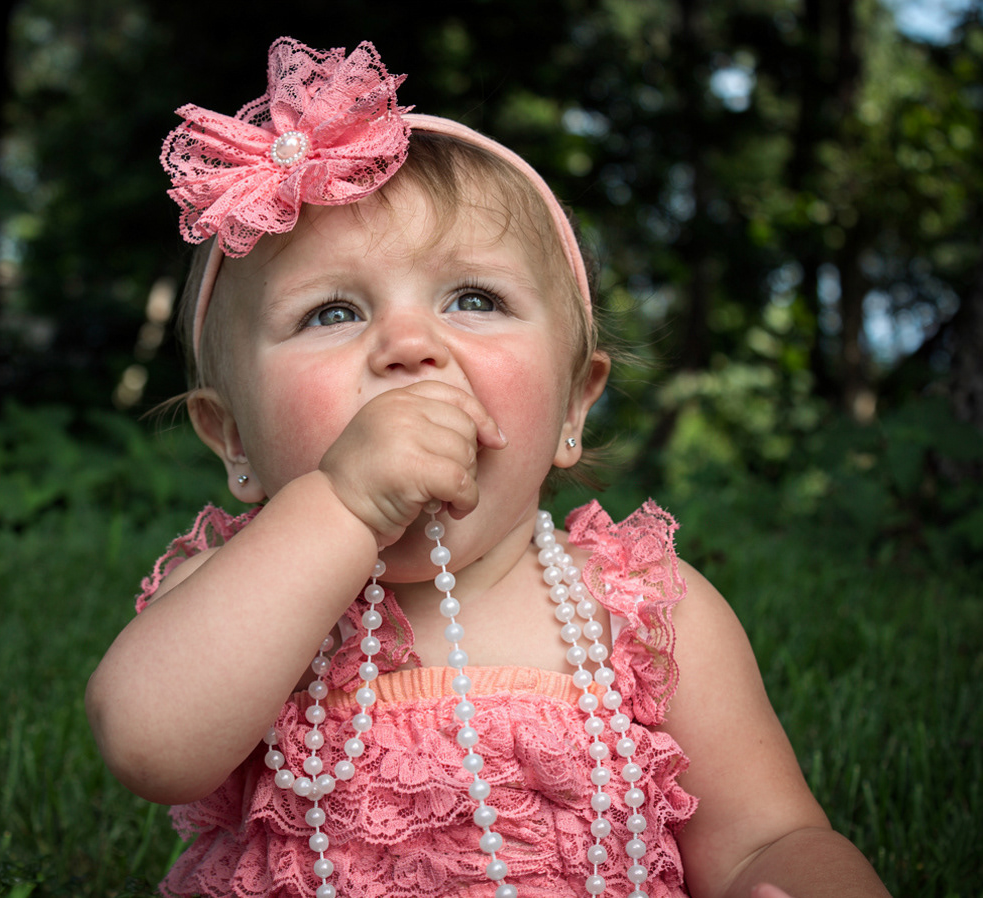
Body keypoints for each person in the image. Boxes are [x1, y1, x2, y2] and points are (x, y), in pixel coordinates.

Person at [86, 37, 891, 898]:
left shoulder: (641, 614)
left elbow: (769, 837)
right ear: (234, 440)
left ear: (573, 407)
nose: (409, 346)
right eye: (332, 312)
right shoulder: (234, 597)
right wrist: (345, 504)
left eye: (474, 299)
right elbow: (150, 745)